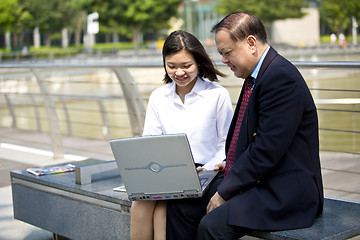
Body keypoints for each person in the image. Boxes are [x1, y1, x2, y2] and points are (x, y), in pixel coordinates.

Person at [166, 12, 324, 240]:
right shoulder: (259, 76)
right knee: (180, 208)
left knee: (212, 226)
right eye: (221, 54)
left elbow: (266, 151)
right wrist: (227, 165)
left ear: (251, 43)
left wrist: (224, 192)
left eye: (227, 52)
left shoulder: (280, 78)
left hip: (284, 191)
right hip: (260, 180)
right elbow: (251, 139)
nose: (223, 60)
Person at [130, 30, 234, 240]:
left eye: (186, 66)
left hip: (206, 172)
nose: (179, 72)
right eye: (172, 66)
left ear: (199, 62)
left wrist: (207, 167)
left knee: (163, 211)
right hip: (167, 172)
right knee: (140, 203)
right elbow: (150, 142)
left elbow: (227, 143)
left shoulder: (216, 96)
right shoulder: (158, 97)